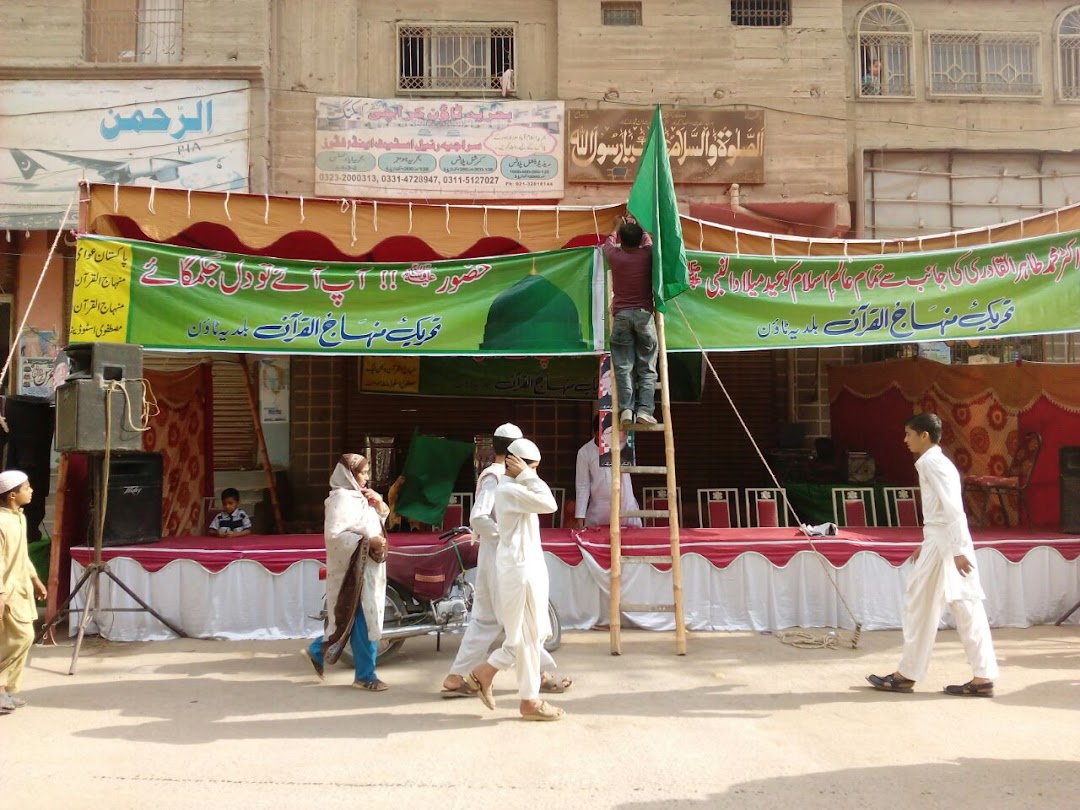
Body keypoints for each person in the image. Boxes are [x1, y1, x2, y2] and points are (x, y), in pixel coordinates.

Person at [866, 413, 999, 698]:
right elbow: (943, 511)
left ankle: (910, 674)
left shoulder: (932, 462)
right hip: (941, 542)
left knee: (927, 606)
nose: (905, 440)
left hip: (947, 546)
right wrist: (927, 544)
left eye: (909, 434)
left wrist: (960, 549)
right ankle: (981, 676)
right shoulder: (934, 462)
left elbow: (952, 508)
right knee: (958, 608)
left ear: (924, 435)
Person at [442, 424, 570, 698]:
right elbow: (478, 517)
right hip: (503, 557)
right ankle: (537, 677)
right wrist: (505, 536)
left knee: (489, 620)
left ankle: (456, 676)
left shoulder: (504, 476)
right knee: (520, 622)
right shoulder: (498, 478)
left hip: (501, 556)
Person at [465, 439, 565, 721]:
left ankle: (489, 676)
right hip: (518, 571)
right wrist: (527, 474)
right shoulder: (509, 489)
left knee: (532, 635)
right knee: (523, 637)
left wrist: (527, 475)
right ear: (516, 463)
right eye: (533, 467)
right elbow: (550, 504)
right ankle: (526, 698)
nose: (536, 474)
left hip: (526, 568)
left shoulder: (518, 487)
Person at [302, 454, 391, 691]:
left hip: (369, 569)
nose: (366, 478)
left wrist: (379, 504)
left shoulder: (361, 497)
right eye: (362, 473)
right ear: (349, 474)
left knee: (358, 618)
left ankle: (316, 650)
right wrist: (368, 542)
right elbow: (335, 537)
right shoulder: (341, 499)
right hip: (354, 572)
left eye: (367, 473)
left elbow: (375, 519)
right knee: (362, 619)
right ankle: (365, 675)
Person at [603, 214, 658, 429]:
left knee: (624, 366)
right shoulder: (647, 254)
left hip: (622, 317)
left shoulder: (615, 256)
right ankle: (645, 410)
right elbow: (649, 239)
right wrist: (641, 222)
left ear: (621, 241)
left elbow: (608, 241)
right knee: (646, 366)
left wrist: (617, 225)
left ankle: (626, 409)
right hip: (644, 316)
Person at [0, 469, 47, 714]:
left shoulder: (19, 517)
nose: (31, 491)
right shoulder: (1, 522)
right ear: (11, 495)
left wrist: (35, 579)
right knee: (21, 637)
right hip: (6, 592)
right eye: (26, 487)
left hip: (21, 589)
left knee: (21, 639)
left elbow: (21, 555)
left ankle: (6, 690)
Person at [574, 427, 643, 530]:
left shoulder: (622, 444)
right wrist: (580, 517)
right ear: (597, 434)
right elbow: (582, 485)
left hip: (627, 508)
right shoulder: (585, 452)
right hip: (599, 513)